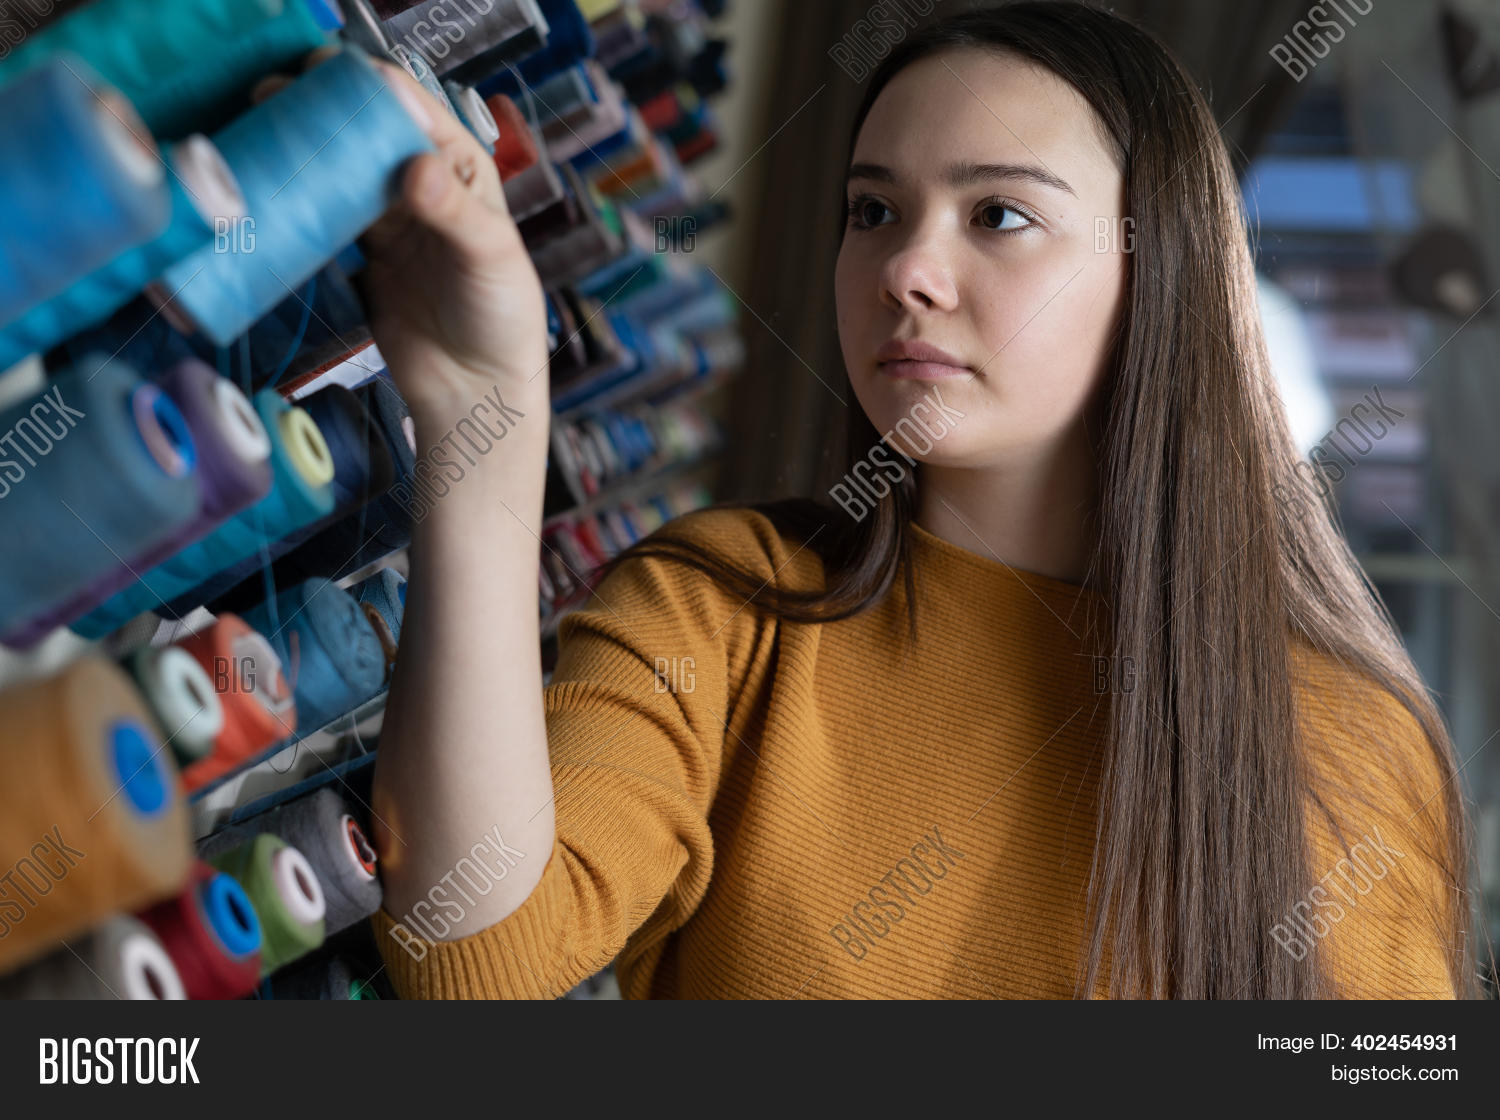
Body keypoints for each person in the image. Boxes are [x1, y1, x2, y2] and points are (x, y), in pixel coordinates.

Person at [356, 2, 1479, 998]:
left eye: (998, 215)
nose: (905, 270)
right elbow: (473, 957)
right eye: (873, 211)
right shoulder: (725, 612)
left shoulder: (1354, 748)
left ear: (1161, 267)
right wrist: (482, 408)